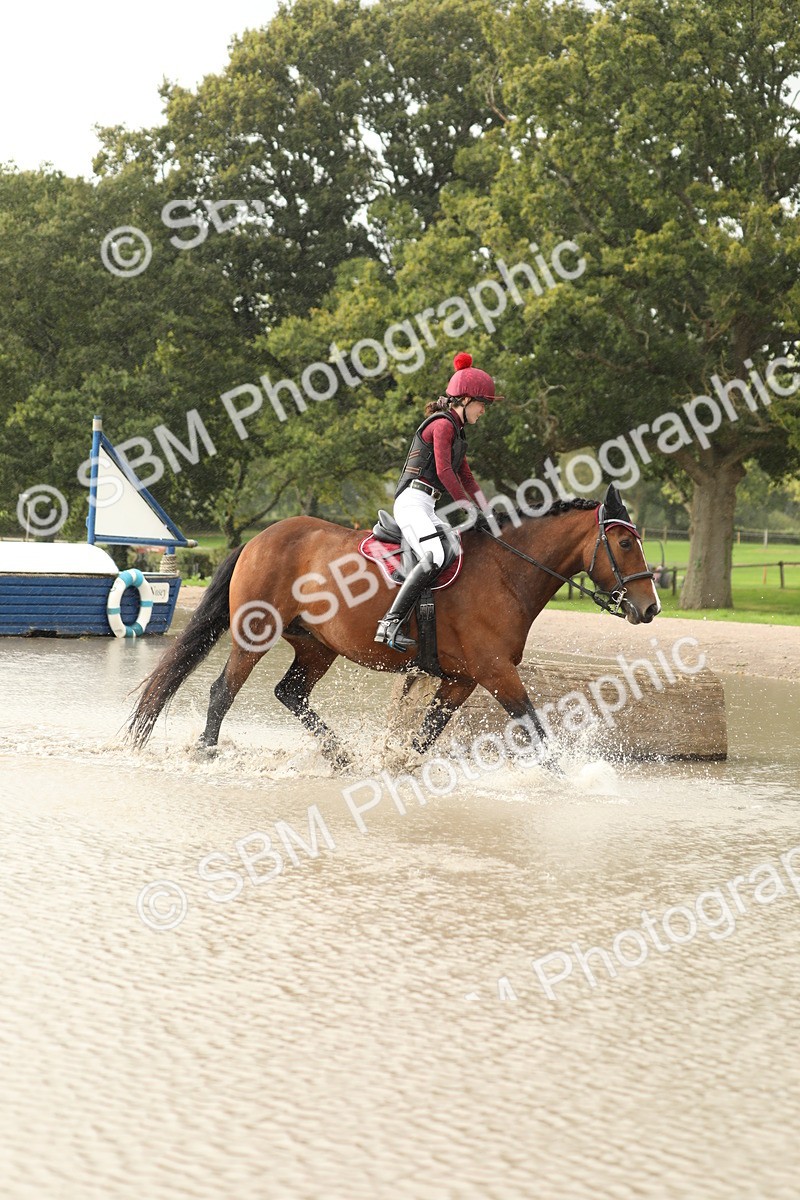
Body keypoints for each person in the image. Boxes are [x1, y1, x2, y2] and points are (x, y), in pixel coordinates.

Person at [374, 351, 502, 652]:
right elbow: (444, 471)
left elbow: (467, 479)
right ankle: (390, 622)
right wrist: (467, 507)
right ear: (467, 399)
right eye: (482, 405)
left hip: (427, 505)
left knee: (454, 552)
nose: (483, 411)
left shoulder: (458, 435)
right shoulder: (442, 425)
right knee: (434, 553)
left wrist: (487, 509)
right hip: (411, 502)